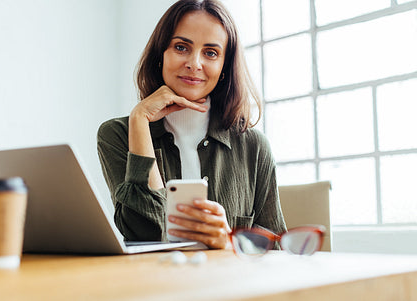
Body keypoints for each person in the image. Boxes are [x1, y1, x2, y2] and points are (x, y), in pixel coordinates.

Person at [97, 0, 286, 249]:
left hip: (231, 286)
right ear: (160, 55)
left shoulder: (254, 146)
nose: (194, 63)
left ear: (224, 67)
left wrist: (230, 243)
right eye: (181, 47)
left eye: (210, 53)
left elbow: (279, 249)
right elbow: (144, 232)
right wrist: (139, 120)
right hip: (155, 285)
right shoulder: (119, 134)